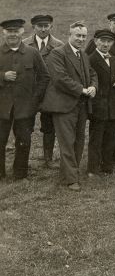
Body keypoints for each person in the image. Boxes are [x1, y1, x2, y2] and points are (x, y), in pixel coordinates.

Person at [40, 22, 97, 190]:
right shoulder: (57, 53)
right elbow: (60, 79)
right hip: (63, 105)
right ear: (69, 35)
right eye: (77, 35)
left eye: (84, 36)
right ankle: (71, 179)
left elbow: (92, 73)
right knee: (67, 142)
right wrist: (82, 90)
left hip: (81, 105)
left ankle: (71, 173)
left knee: (79, 140)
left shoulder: (83, 54)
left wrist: (94, 86)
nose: (81, 39)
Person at [0, 19, 50, 180]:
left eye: (16, 31)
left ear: (22, 32)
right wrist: (2, 76)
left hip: (25, 107)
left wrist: (34, 100)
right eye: (9, 31)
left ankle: (20, 173)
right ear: (3, 33)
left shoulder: (32, 52)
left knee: (23, 140)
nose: (13, 35)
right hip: (2, 107)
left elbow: (44, 77)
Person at [22, 14, 62, 167]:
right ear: (34, 27)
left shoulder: (58, 45)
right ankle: (23, 159)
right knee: (25, 126)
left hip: (50, 93)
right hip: (29, 93)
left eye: (46, 26)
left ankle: (48, 159)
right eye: (40, 26)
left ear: (51, 27)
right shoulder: (24, 44)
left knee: (49, 127)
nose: (43, 29)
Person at [86, 29, 115, 176]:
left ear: (112, 43)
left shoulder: (114, 60)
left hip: (113, 106)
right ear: (96, 42)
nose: (105, 44)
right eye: (102, 41)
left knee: (111, 138)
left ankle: (107, 167)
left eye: (109, 41)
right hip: (98, 106)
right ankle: (93, 169)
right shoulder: (90, 59)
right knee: (96, 139)